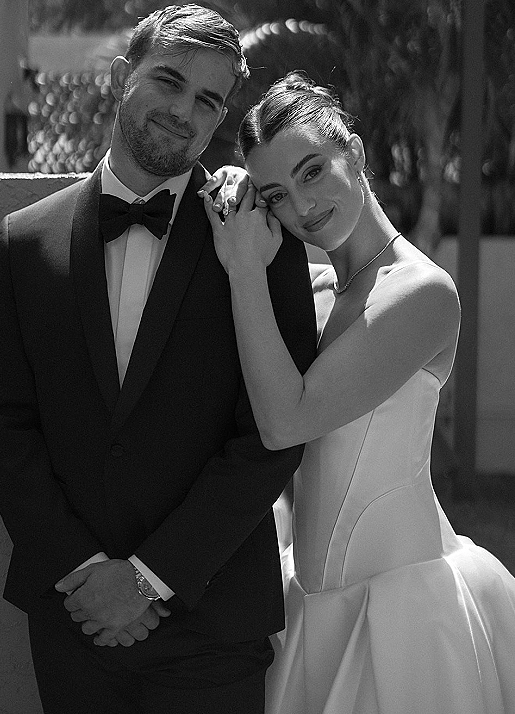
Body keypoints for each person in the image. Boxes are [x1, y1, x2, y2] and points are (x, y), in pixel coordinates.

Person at [0, 8, 318, 714]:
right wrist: (86, 572)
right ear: (123, 76)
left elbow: (274, 434)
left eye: (209, 100)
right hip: (74, 621)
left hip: (212, 624)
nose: (185, 111)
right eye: (169, 80)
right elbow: (5, 425)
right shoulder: (23, 244)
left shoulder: (257, 237)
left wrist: (152, 576)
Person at [200, 71, 515, 714]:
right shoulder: (310, 290)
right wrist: (235, 197)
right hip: (307, 606)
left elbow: (287, 420)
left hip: (402, 613)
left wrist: (243, 270)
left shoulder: (421, 293)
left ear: (356, 151)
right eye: (277, 195)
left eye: (313, 170)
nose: (303, 206)